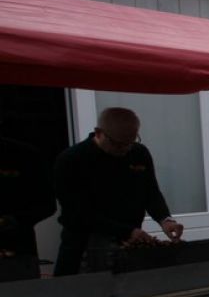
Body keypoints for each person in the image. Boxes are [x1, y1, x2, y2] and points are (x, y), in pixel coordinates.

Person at [52, 107, 183, 275]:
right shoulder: (72, 160)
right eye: (118, 144)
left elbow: (151, 192)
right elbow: (77, 212)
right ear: (99, 133)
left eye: (131, 141)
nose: (125, 148)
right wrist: (127, 231)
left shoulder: (139, 153)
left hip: (128, 243)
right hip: (84, 244)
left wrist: (165, 219)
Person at [0, 134, 55, 278]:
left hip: (16, 256)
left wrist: (12, 220)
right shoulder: (26, 153)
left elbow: (47, 203)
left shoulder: (25, 155)